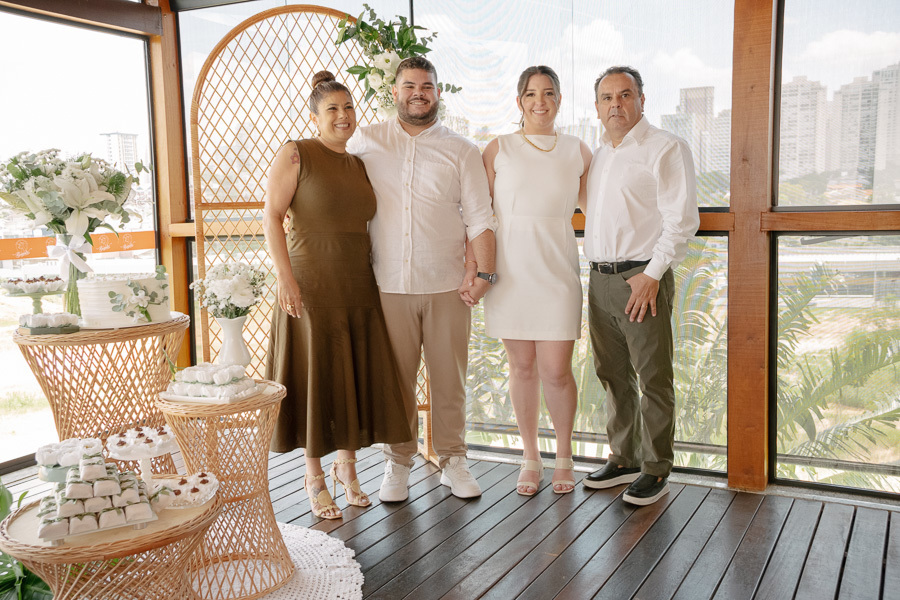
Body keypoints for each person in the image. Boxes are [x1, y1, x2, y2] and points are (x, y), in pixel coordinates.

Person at [263, 70, 413, 520]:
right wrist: (286, 280)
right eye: (333, 109)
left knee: (348, 376)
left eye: (348, 108)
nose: (343, 116)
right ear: (315, 116)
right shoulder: (297, 153)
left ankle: (347, 468)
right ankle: (314, 476)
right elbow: (272, 217)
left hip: (357, 283)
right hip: (311, 284)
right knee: (317, 378)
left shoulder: (358, 163)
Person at [348, 56, 497, 501]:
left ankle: (453, 459)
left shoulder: (462, 150)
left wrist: (484, 272)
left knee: (449, 379)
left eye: (427, 86)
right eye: (409, 85)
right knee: (396, 381)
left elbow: (481, 218)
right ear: (394, 91)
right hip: (387, 284)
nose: (418, 92)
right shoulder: (365, 141)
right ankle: (398, 463)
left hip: (447, 284)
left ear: (437, 93)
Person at [581, 66, 699, 505]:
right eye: (607, 97)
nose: (616, 104)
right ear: (597, 107)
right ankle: (624, 457)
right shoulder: (601, 155)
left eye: (625, 95)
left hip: (640, 278)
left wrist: (652, 275)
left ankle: (655, 467)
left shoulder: (665, 147)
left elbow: (682, 220)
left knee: (652, 376)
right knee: (612, 373)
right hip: (599, 278)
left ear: (642, 100)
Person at [480, 66, 592, 496]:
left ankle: (564, 455)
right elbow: (478, 215)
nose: (539, 102)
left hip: (558, 273)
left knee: (557, 371)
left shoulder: (578, 151)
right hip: (509, 274)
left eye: (548, 93)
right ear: (519, 102)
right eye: (530, 94)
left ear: (560, 99)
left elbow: (600, 206)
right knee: (522, 367)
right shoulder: (497, 149)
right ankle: (530, 456)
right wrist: (479, 269)